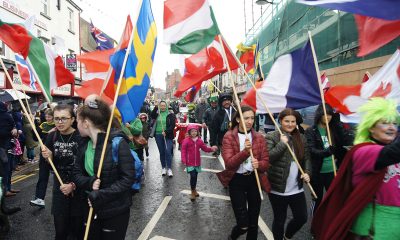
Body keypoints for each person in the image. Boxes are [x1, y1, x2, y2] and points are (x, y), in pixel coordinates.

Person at [312, 98, 400, 240]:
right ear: (371, 127)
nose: (391, 127)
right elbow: (392, 154)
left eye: (395, 124)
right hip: (372, 230)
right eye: (385, 122)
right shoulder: (363, 151)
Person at [73, 99, 135, 240]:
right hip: (89, 210)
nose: (76, 125)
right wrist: (90, 182)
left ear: (86, 123)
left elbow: (127, 179)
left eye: (77, 121)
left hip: (115, 211)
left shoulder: (118, 143)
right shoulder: (83, 144)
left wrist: (101, 194)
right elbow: (75, 173)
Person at [217, 105, 270, 240]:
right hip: (236, 181)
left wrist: (259, 164)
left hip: (254, 180)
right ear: (238, 120)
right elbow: (229, 164)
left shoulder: (258, 137)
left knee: (253, 224)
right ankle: (232, 237)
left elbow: (266, 162)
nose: (250, 121)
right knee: (243, 225)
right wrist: (245, 152)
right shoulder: (229, 136)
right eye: (246, 118)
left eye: (252, 118)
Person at [265, 108, 311, 240]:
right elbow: (268, 158)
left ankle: (287, 236)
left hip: (296, 188)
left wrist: (307, 172)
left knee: (302, 217)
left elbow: (307, 158)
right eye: (287, 121)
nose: (290, 124)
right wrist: (282, 144)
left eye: (293, 121)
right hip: (277, 188)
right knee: (280, 219)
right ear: (280, 121)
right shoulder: (272, 136)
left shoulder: (301, 137)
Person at [40, 104, 83, 240]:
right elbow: (50, 166)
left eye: (64, 118)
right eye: (57, 118)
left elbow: (85, 167)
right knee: (60, 231)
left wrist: (73, 185)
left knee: (77, 231)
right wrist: (49, 157)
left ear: (72, 119)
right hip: (60, 188)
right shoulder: (52, 136)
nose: (60, 122)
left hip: (79, 188)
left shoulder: (81, 137)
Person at [305, 103, 349, 214]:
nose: (328, 117)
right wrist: (326, 152)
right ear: (319, 115)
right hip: (317, 172)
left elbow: (345, 141)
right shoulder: (312, 130)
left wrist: (338, 123)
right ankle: (315, 224)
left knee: (333, 199)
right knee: (317, 199)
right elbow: (311, 150)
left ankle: (328, 224)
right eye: (325, 114)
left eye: (330, 114)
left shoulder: (333, 129)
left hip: (332, 170)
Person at [181, 125, 217, 201]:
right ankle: (192, 191)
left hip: (197, 162)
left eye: (195, 131)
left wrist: (212, 149)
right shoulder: (186, 141)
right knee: (193, 176)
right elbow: (183, 150)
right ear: (189, 132)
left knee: (195, 177)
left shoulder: (199, 141)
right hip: (189, 162)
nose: (194, 133)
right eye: (192, 131)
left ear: (197, 132)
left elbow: (205, 148)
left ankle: (194, 189)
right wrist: (183, 159)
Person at [31, 108, 55, 208]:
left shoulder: (57, 126)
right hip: (44, 152)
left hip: (56, 153)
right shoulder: (43, 124)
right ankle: (39, 198)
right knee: (43, 176)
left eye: (49, 116)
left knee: (59, 178)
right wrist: (34, 126)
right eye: (46, 116)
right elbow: (36, 137)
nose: (47, 118)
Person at [150, 101, 176, 177]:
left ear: (166, 106)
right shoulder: (157, 113)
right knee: (162, 152)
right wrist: (155, 107)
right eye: (161, 106)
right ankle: (163, 167)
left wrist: (166, 132)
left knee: (168, 151)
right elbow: (152, 115)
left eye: (164, 106)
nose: (163, 107)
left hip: (168, 135)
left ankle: (169, 168)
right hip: (158, 135)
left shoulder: (170, 114)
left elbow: (172, 125)